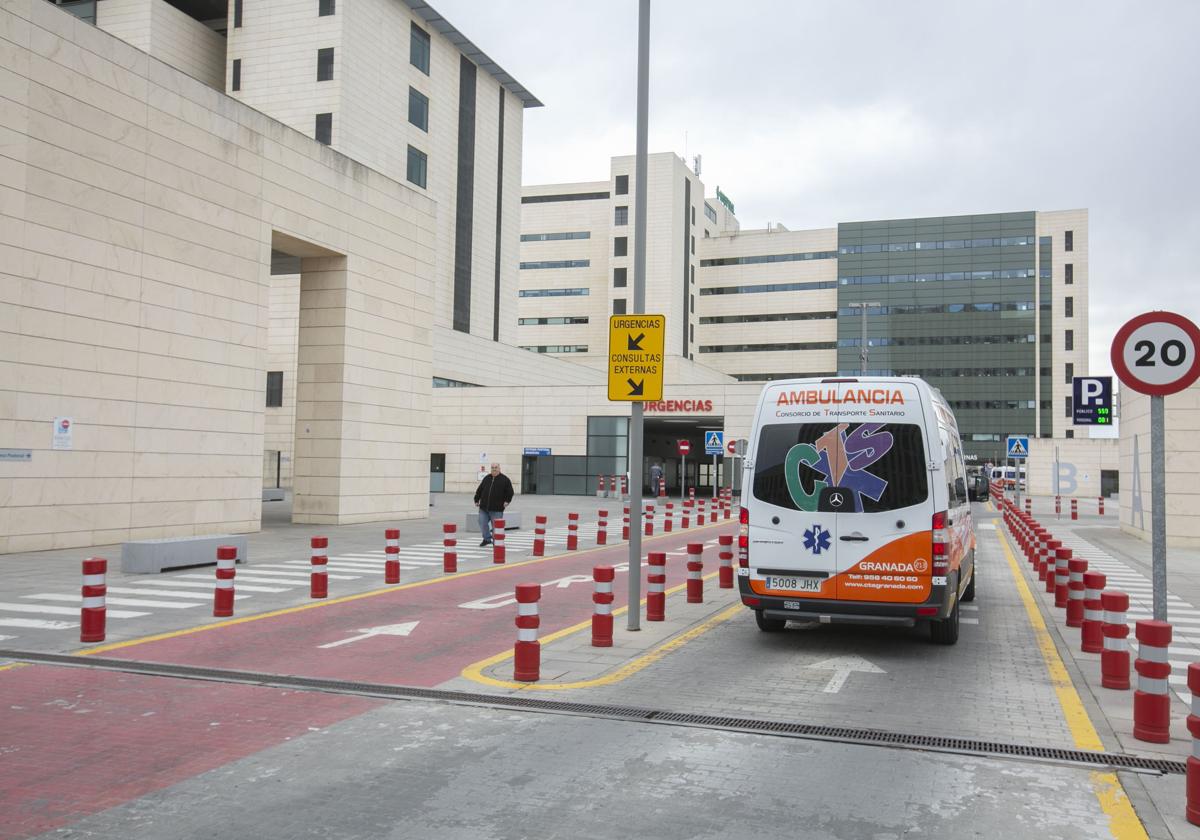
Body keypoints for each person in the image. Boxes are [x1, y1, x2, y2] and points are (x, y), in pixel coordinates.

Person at [474, 462, 513, 546]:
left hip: (497, 509)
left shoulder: (505, 479)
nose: (494, 469)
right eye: (492, 467)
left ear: (499, 468)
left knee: (496, 527)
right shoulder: (487, 478)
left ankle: (496, 541)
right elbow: (480, 490)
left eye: (496, 467)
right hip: (484, 508)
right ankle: (487, 539)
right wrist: (476, 499)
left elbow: (510, 492)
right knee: (482, 522)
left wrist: (507, 501)